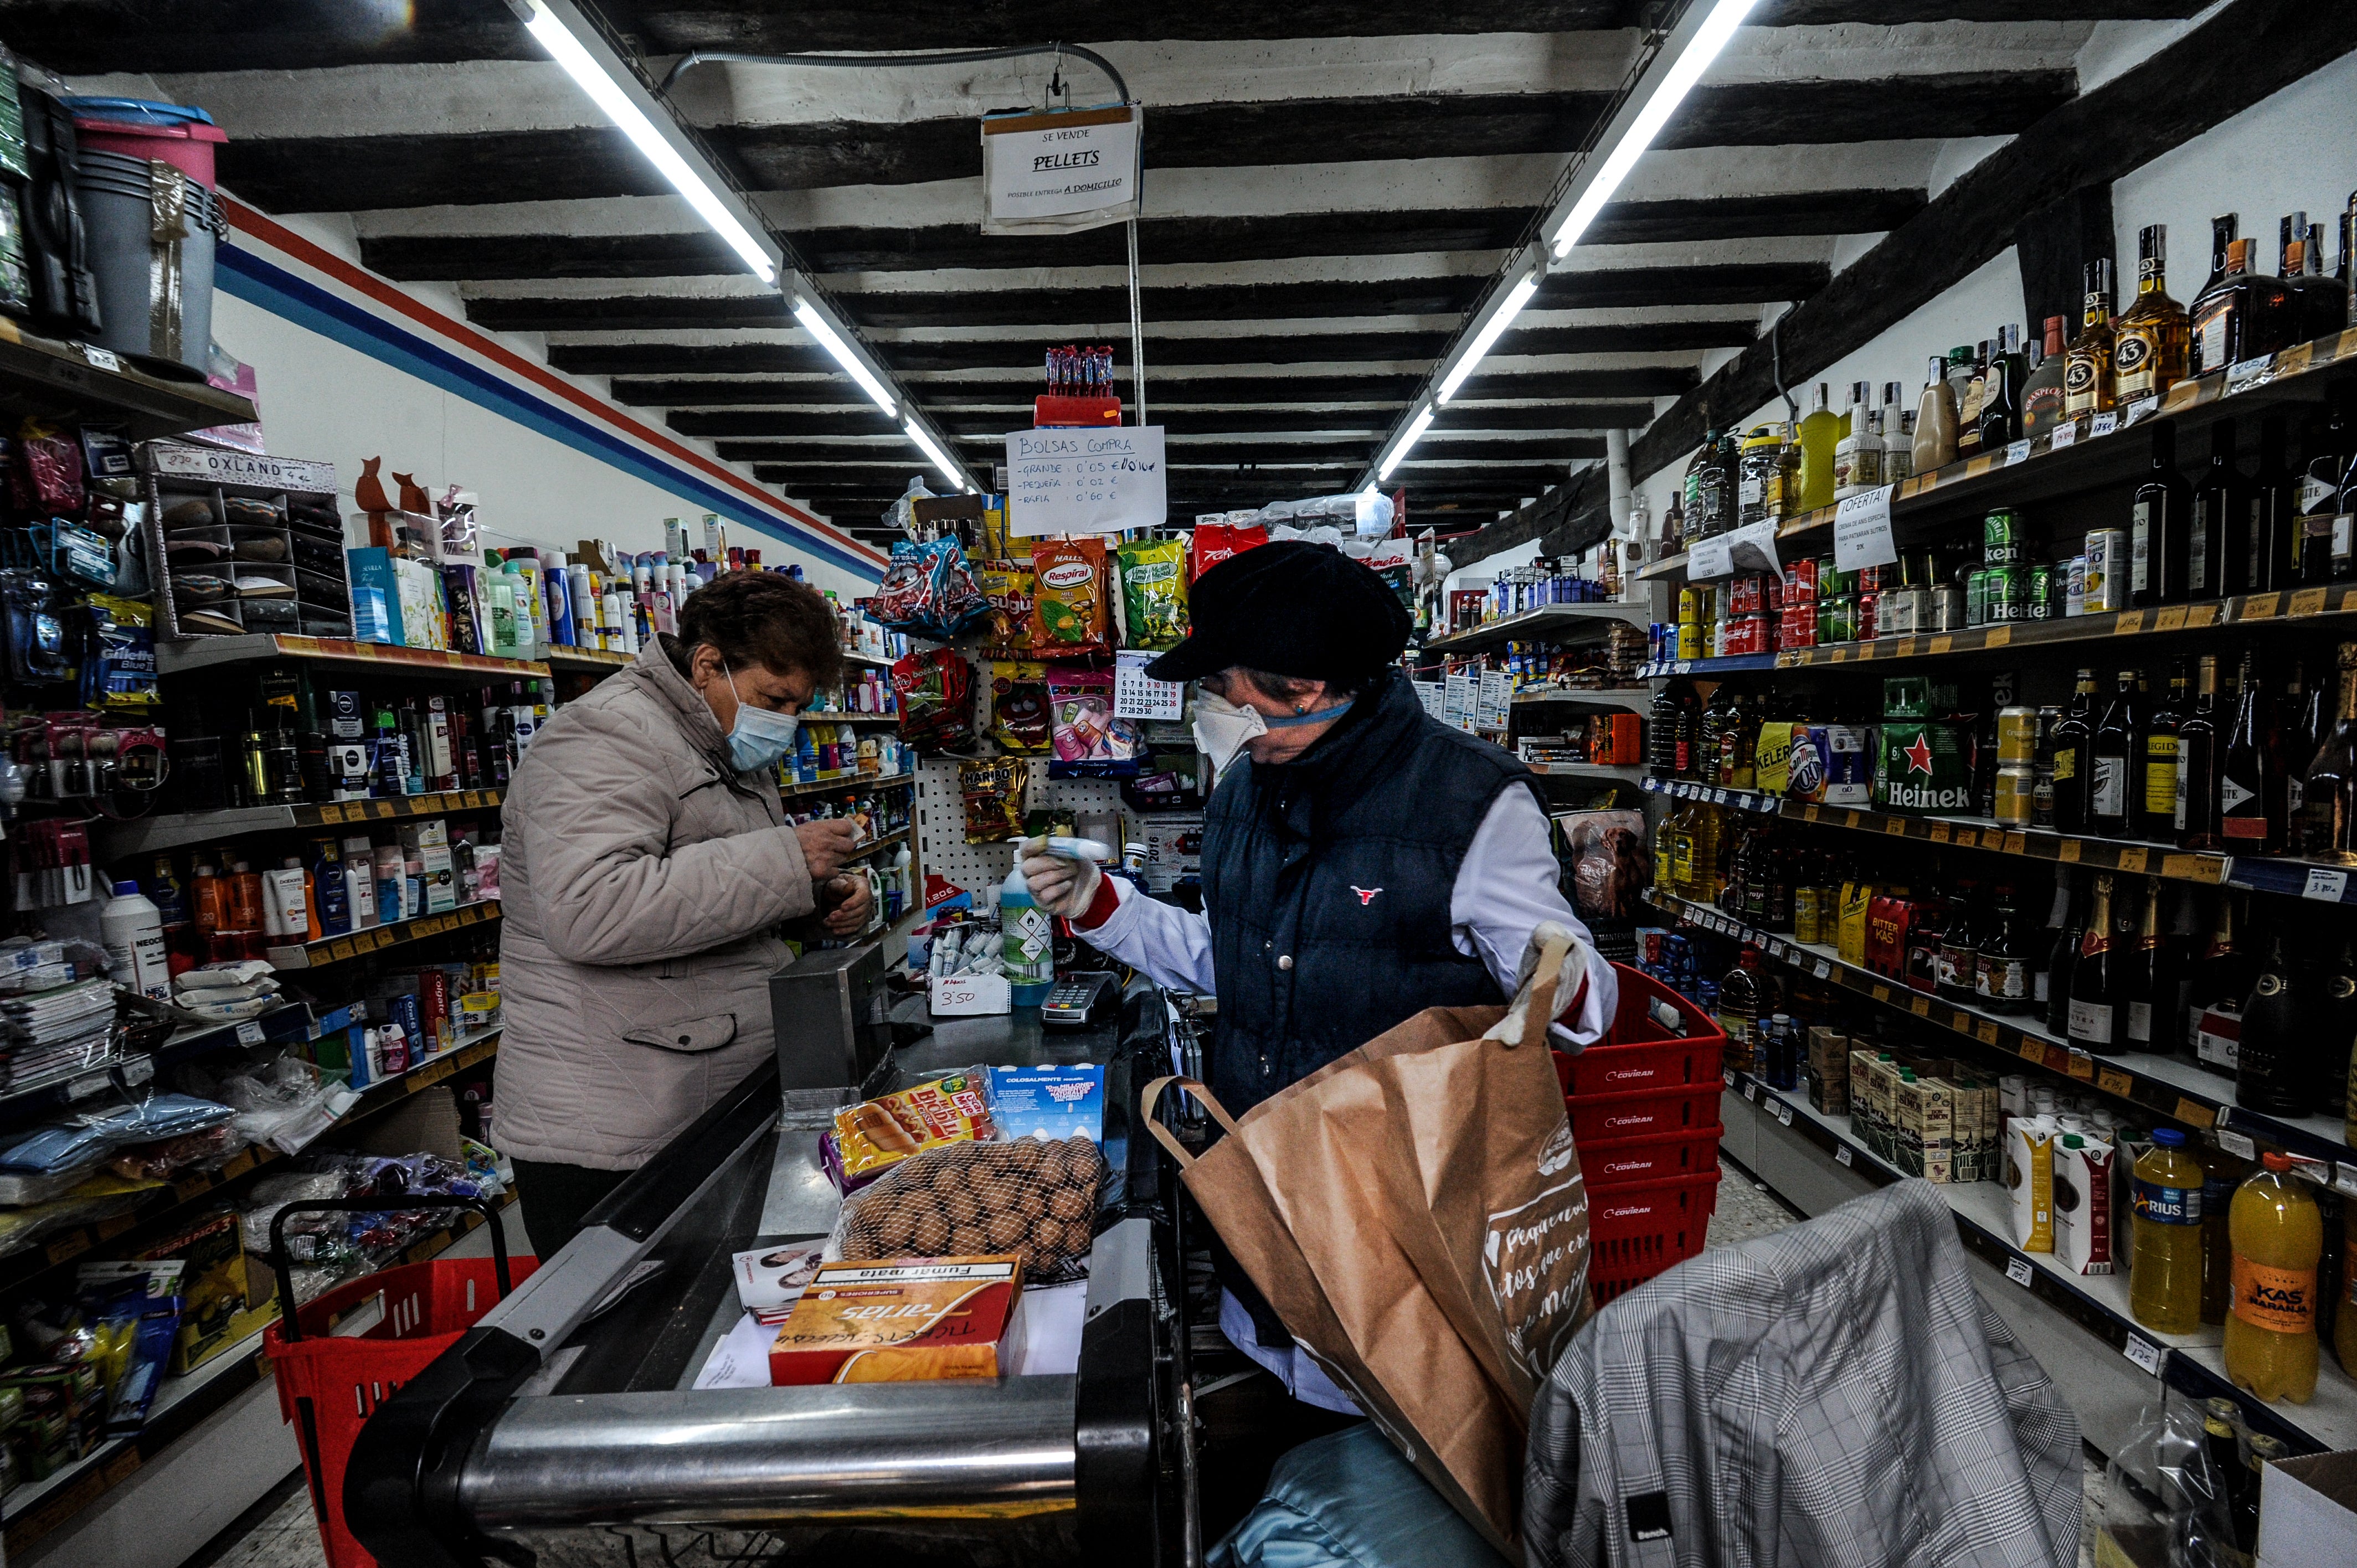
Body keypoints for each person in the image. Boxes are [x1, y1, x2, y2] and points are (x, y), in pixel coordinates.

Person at [1022, 540, 1614, 1411]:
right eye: (1224, 693)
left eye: (1246, 695)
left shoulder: (1470, 802)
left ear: (1315, 688)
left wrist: (1555, 981)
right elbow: (1240, 958)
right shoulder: (1242, 791)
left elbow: (1588, 1004)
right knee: (1283, 1429)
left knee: (1408, 1464)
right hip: (1267, 1202)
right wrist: (1104, 904)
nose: (1230, 714)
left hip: (1404, 1228)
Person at [496, 572, 872, 1260]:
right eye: (773, 700)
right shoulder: (601, 740)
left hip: (697, 1097)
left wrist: (812, 903)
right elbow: (590, 909)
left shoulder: (718, 740)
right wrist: (785, 863)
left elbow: (702, 894)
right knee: (627, 1351)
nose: (784, 724)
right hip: (614, 1133)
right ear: (707, 665)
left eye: (798, 707)